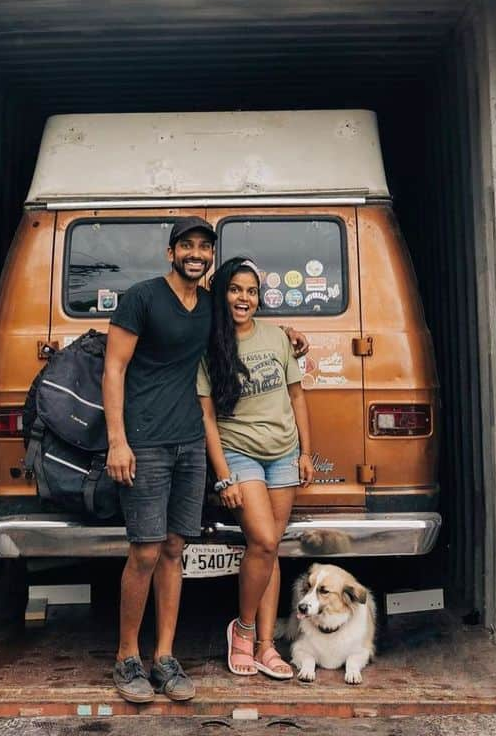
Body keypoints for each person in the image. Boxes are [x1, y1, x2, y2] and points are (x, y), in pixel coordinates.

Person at [103, 217, 307, 704]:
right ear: (171, 251)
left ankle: (165, 657)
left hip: (191, 443)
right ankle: (127, 656)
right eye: (187, 246)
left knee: (175, 550)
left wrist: (293, 334)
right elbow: (114, 367)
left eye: (204, 248)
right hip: (145, 442)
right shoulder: (142, 298)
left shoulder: (211, 303)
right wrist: (117, 441)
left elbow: (248, 314)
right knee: (145, 552)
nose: (196, 254)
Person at [198, 256, 315, 680]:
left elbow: (297, 396)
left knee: (270, 549)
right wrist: (224, 474)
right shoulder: (209, 346)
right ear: (222, 294)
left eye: (250, 291)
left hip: (283, 452)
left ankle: (267, 646)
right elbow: (207, 417)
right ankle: (243, 630)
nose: (243, 298)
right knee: (264, 539)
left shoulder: (278, 338)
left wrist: (305, 452)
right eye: (234, 290)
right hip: (240, 453)